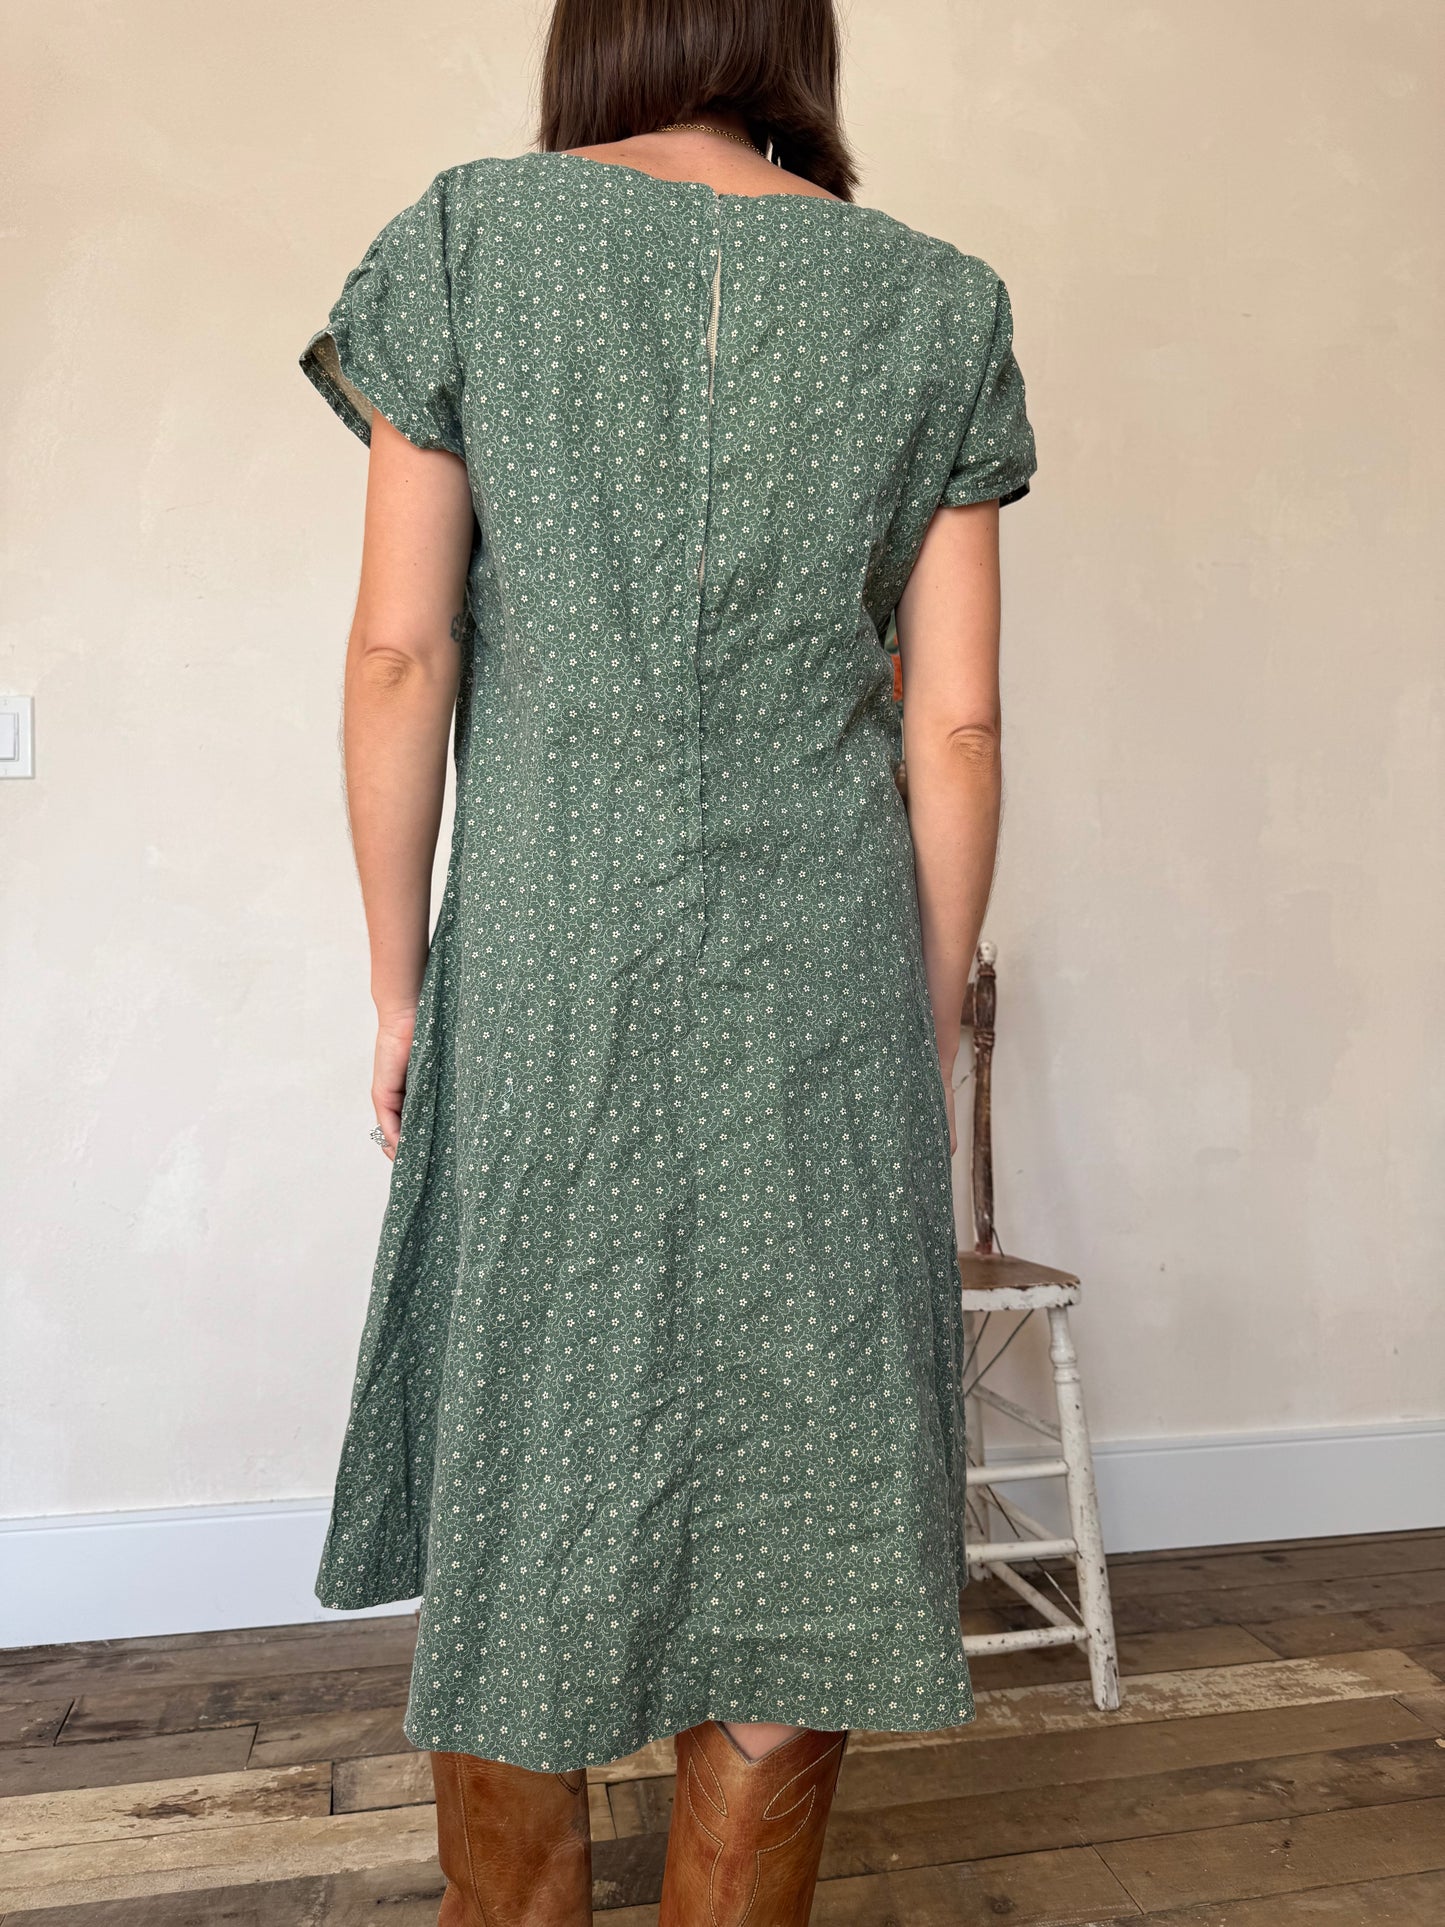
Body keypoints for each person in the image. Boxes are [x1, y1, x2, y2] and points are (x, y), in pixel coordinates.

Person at [298, 1, 1035, 1919]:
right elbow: (955, 729)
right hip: (823, 961)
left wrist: (398, 985)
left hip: (548, 953)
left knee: (526, 1435)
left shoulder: (469, 236)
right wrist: (921, 1013)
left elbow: (398, 653)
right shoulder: (937, 300)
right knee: (815, 1465)